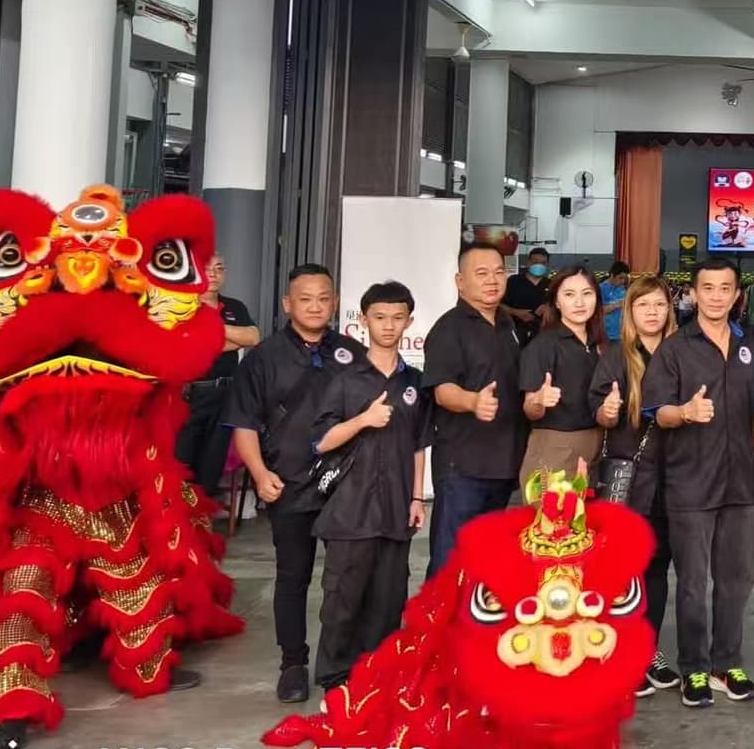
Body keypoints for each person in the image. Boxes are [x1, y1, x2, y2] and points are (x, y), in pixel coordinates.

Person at [224, 262, 346, 703]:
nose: (315, 306)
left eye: (323, 297)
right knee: (292, 577)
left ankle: (339, 664)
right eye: (306, 298)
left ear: (334, 302)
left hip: (342, 487)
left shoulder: (349, 352)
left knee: (343, 579)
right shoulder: (264, 358)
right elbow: (244, 422)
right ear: (287, 304)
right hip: (287, 484)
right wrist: (259, 474)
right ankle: (293, 663)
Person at [644, 257, 754, 708]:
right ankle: (693, 666)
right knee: (693, 582)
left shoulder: (751, 345)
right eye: (707, 288)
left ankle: (725, 663)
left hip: (740, 482)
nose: (716, 296)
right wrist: (686, 413)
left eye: (725, 288)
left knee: (737, 579)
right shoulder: (675, 348)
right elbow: (657, 410)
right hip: (691, 482)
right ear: (693, 294)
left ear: (737, 295)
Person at [306, 280, 428, 694]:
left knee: (387, 602)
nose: (389, 326)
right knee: (342, 602)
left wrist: (416, 497)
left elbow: (417, 445)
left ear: (409, 321)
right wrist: (361, 420)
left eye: (397, 318)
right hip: (350, 511)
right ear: (363, 321)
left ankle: (379, 679)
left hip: (395, 510)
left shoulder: (415, 382)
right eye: (380, 317)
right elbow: (320, 441)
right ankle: (335, 683)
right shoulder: (344, 380)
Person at [593, 274, 682, 697]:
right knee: (622, 568)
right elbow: (601, 415)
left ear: (670, 310)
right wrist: (608, 410)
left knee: (658, 566)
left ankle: (649, 650)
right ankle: (619, 650)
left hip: (674, 475)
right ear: (629, 311)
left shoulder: (683, 353)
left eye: (659, 305)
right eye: (643, 305)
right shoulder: (615, 357)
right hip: (629, 475)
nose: (652, 312)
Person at [423, 243, 527, 580]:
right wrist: (472, 402)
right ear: (460, 281)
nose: (493, 281)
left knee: (488, 565)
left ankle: (475, 632)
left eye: (499, 272)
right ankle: (434, 632)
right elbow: (442, 390)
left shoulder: (508, 324)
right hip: (463, 467)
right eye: (481, 274)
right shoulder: (448, 329)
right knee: (450, 562)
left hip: (503, 464)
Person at [175, 253, 260, 497]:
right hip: (188, 396)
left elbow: (253, 337)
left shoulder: (234, 306)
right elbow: (184, 346)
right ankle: (178, 528)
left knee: (211, 465)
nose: (213, 274)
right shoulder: (179, 304)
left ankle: (202, 526)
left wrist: (211, 328)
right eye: (206, 268)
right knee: (181, 463)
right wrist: (231, 339)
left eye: (219, 268)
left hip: (225, 395)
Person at [517, 266, 608, 487]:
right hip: (556, 447)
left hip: (594, 448)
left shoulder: (601, 345)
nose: (579, 302)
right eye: (569, 294)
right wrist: (538, 400)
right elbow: (529, 408)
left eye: (587, 294)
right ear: (557, 302)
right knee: (554, 520)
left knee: (588, 521)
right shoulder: (543, 345)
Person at [501, 246, 555, 345]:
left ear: (547, 265)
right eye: (535, 261)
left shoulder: (552, 285)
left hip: (543, 336)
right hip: (515, 334)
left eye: (543, 263)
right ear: (528, 262)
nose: (539, 265)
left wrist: (550, 308)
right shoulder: (514, 281)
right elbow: (498, 305)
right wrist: (515, 312)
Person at [601, 260, 631, 341]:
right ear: (612, 275)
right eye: (620, 278)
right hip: (606, 336)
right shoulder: (601, 289)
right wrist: (617, 305)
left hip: (621, 335)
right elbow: (598, 311)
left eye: (624, 278)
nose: (622, 281)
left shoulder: (622, 289)